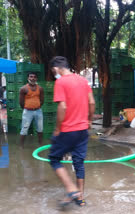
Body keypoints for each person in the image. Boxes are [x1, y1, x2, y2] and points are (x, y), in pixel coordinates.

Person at [48, 56, 95, 208]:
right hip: (82, 130)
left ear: (56, 68)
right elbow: (92, 102)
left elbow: (62, 107)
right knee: (78, 162)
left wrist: (57, 129)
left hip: (68, 130)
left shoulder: (61, 81)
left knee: (54, 158)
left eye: (53, 71)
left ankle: (71, 189)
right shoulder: (82, 80)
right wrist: (89, 120)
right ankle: (80, 197)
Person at [19, 73, 44, 148]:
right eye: (31, 77)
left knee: (40, 128)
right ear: (28, 78)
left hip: (38, 110)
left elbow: (42, 101)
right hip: (27, 111)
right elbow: (21, 102)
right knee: (24, 129)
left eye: (34, 77)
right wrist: (27, 108)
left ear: (36, 79)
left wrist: (37, 107)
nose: (33, 78)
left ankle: (40, 144)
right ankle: (21, 146)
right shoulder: (23, 89)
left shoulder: (40, 88)